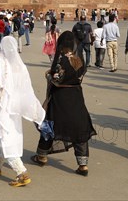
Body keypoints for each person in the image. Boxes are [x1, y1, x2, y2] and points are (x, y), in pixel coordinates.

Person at [0, 36, 45, 187]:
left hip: (0, 107)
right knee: (4, 135)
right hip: (14, 108)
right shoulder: (19, 66)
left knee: (5, 138)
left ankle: (22, 173)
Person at [30, 31, 97, 176]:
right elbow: (76, 77)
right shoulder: (79, 60)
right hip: (76, 96)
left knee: (50, 125)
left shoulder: (62, 61)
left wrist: (48, 75)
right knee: (80, 127)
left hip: (60, 98)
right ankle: (83, 164)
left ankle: (42, 156)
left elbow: (57, 80)